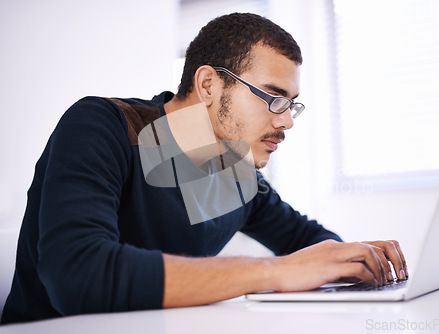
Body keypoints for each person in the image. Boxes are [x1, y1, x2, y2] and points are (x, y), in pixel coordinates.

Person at [1, 13, 408, 325]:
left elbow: (310, 244)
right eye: (273, 97)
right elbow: (79, 276)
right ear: (209, 85)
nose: (286, 122)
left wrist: (356, 262)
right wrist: (274, 272)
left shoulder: (239, 175)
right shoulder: (103, 126)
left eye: (291, 103)